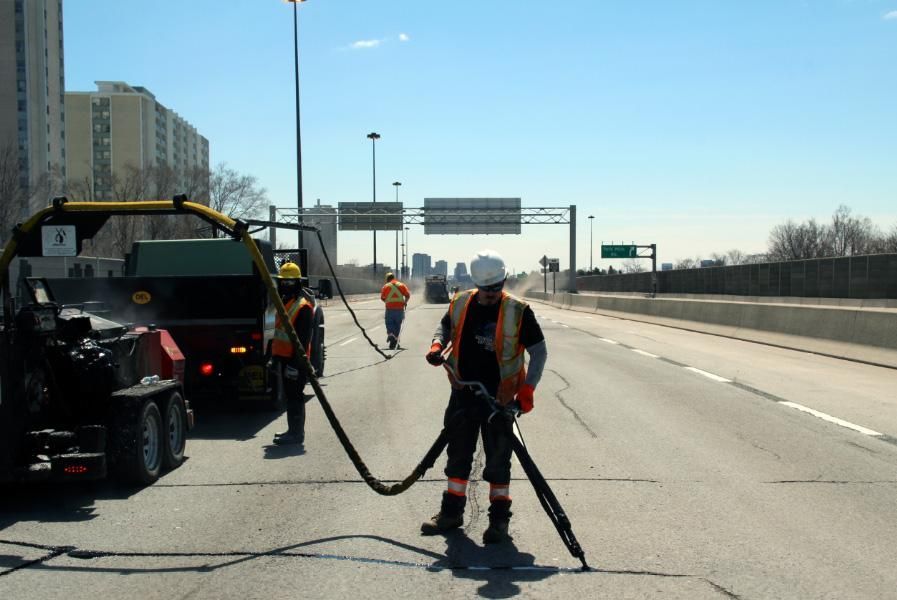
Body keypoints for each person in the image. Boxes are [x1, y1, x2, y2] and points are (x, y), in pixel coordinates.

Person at [422, 249, 547, 544]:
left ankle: (499, 522)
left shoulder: (519, 311)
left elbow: (539, 352)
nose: (491, 294)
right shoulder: (462, 301)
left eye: (496, 288)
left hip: (500, 400)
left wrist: (527, 390)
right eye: (486, 289)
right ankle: (451, 513)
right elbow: (445, 326)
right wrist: (437, 345)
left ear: (503, 281)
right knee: (458, 457)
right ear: (477, 284)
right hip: (463, 392)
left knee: (498, 462)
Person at [271, 262, 315, 446]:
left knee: (295, 396)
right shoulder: (285, 303)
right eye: (284, 282)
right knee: (291, 397)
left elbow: (302, 341)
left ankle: (296, 434)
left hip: (295, 362)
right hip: (285, 359)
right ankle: (292, 430)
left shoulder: (302, 307)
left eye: (290, 282)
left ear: (298, 283)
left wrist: (294, 365)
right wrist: (276, 358)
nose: (286, 285)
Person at [380, 272, 411, 349]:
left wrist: (387, 302)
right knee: (397, 325)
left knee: (389, 323)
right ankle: (395, 341)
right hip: (400, 309)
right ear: (394, 277)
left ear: (387, 279)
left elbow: (382, 298)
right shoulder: (401, 285)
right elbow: (407, 295)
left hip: (389, 309)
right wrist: (405, 302)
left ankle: (391, 335)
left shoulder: (385, 286)